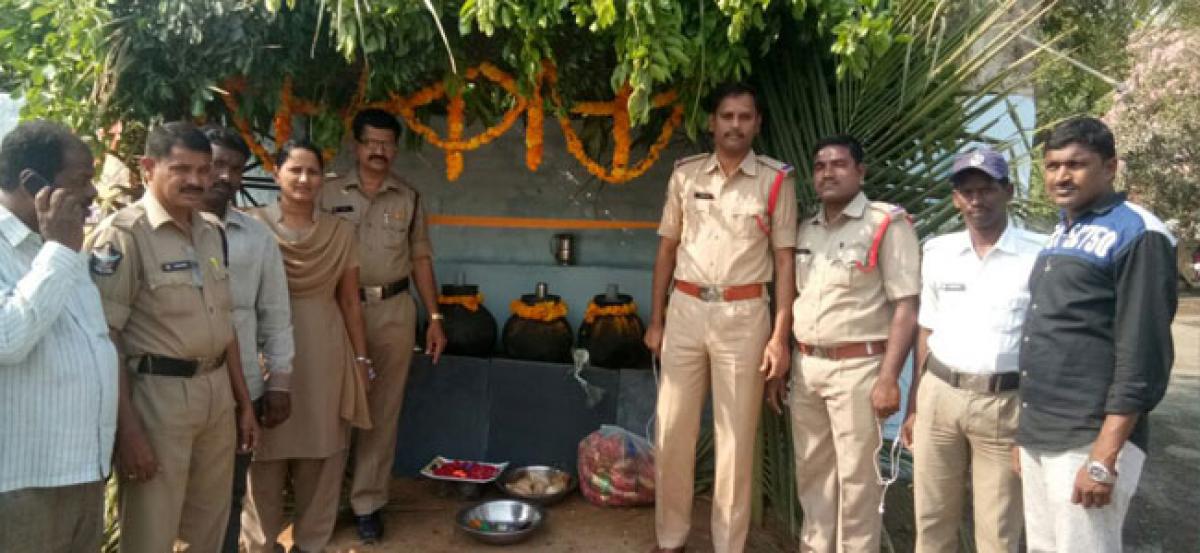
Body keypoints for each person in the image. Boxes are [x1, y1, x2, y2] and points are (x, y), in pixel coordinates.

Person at [85, 121, 259, 552]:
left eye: (205, 170)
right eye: (182, 169)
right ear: (148, 167)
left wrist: (242, 402)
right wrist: (127, 432)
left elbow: (226, 326)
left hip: (216, 395)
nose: (199, 180)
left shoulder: (210, 231)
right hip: (157, 400)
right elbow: (105, 339)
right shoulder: (123, 235)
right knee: (152, 531)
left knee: (209, 527)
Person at [645, 82, 797, 553]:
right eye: (727, 116)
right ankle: (670, 540)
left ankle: (728, 545)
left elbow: (786, 260)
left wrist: (779, 337)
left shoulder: (775, 180)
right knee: (673, 431)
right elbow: (667, 248)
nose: (735, 125)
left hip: (745, 315)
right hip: (686, 311)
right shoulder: (686, 175)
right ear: (712, 123)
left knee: (734, 444)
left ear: (757, 124)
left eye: (745, 117)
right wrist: (657, 319)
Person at [1017, 116, 1177, 553]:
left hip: (1087, 436)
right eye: (1052, 166)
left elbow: (1142, 354)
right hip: (1042, 431)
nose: (1061, 176)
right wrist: (1024, 434)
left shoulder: (1138, 233)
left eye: (1076, 164)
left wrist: (1104, 456)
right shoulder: (1062, 231)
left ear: (1110, 168)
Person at [768, 134, 920, 553]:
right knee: (812, 474)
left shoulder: (886, 224)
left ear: (860, 172)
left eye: (838, 164)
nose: (828, 172)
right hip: (807, 367)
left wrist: (890, 378)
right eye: (820, 166)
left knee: (857, 482)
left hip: (859, 370)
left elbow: (906, 306)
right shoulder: (806, 230)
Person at [900, 147, 1045, 553]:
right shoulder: (938, 251)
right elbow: (925, 329)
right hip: (939, 398)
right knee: (931, 521)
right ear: (955, 198)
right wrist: (915, 405)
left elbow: (1048, 342)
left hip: (1004, 405)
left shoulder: (1039, 255)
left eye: (987, 189)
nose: (976, 200)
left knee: (998, 531)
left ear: (1008, 191)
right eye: (967, 191)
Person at [319, 108, 447, 543]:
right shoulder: (327, 191)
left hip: (393, 311)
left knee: (382, 411)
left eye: (387, 144)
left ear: (395, 148)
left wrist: (434, 318)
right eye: (371, 142)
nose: (379, 151)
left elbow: (421, 259)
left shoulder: (407, 197)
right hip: (336, 311)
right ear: (356, 146)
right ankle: (327, 502)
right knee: (335, 407)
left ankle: (368, 503)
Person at [241, 140, 372, 553]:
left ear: (323, 178)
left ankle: (312, 543)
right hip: (266, 347)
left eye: (312, 171)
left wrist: (362, 357)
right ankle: (261, 545)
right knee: (264, 454)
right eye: (294, 170)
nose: (303, 179)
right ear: (276, 173)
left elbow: (350, 300)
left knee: (323, 451)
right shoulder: (250, 225)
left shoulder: (340, 231)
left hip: (325, 351)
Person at [0, 120, 117, 553]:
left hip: (83, 470)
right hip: (24, 482)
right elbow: (8, 338)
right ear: (34, 183)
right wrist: (59, 251)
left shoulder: (60, 244)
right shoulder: (57, 246)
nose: (92, 193)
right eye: (81, 180)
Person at [198, 126, 295, 553]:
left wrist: (278, 383)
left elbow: (275, 313)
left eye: (235, 169)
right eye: (215, 164)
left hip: (244, 391)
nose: (224, 176)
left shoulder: (256, 238)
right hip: (176, 388)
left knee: (233, 492)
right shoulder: (152, 232)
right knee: (175, 497)